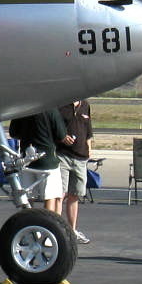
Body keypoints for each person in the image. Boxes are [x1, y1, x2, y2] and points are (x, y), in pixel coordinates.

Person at [7, 107, 68, 214]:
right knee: (50, 196)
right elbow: (61, 135)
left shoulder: (23, 109)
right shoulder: (51, 110)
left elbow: (14, 133)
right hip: (47, 161)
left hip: (26, 160)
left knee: (27, 197)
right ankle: (48, 223)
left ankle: (28, 221)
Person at [56, 99, 93, 244]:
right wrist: (62, 138)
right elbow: (54, 127)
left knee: (75, 194)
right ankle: (57, 229)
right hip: (63, 155)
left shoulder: (85, 105)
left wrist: (89, 147)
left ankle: (72, 230)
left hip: (80, 157)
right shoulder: (60, 105)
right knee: (60, 194)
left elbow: (88, 129)